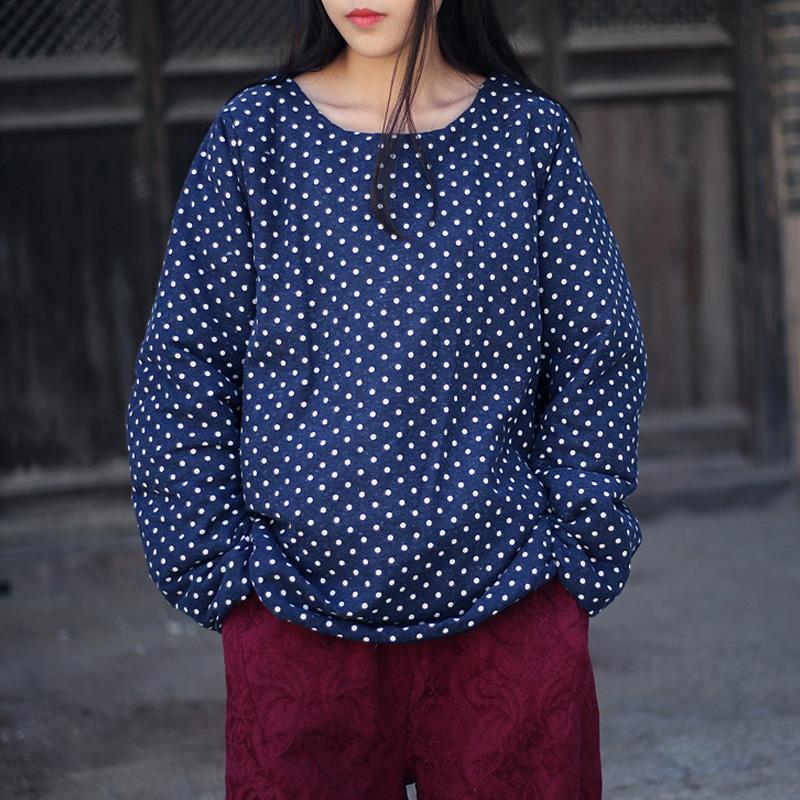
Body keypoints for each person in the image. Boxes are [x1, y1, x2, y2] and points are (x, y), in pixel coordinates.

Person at [124, 1, 648, 797]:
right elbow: (184, 369)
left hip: (509, 610)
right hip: (296, 622)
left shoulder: (526, 138)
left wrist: (578, 546)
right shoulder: (254, 138)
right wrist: (221, 572)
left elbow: (597, 350)